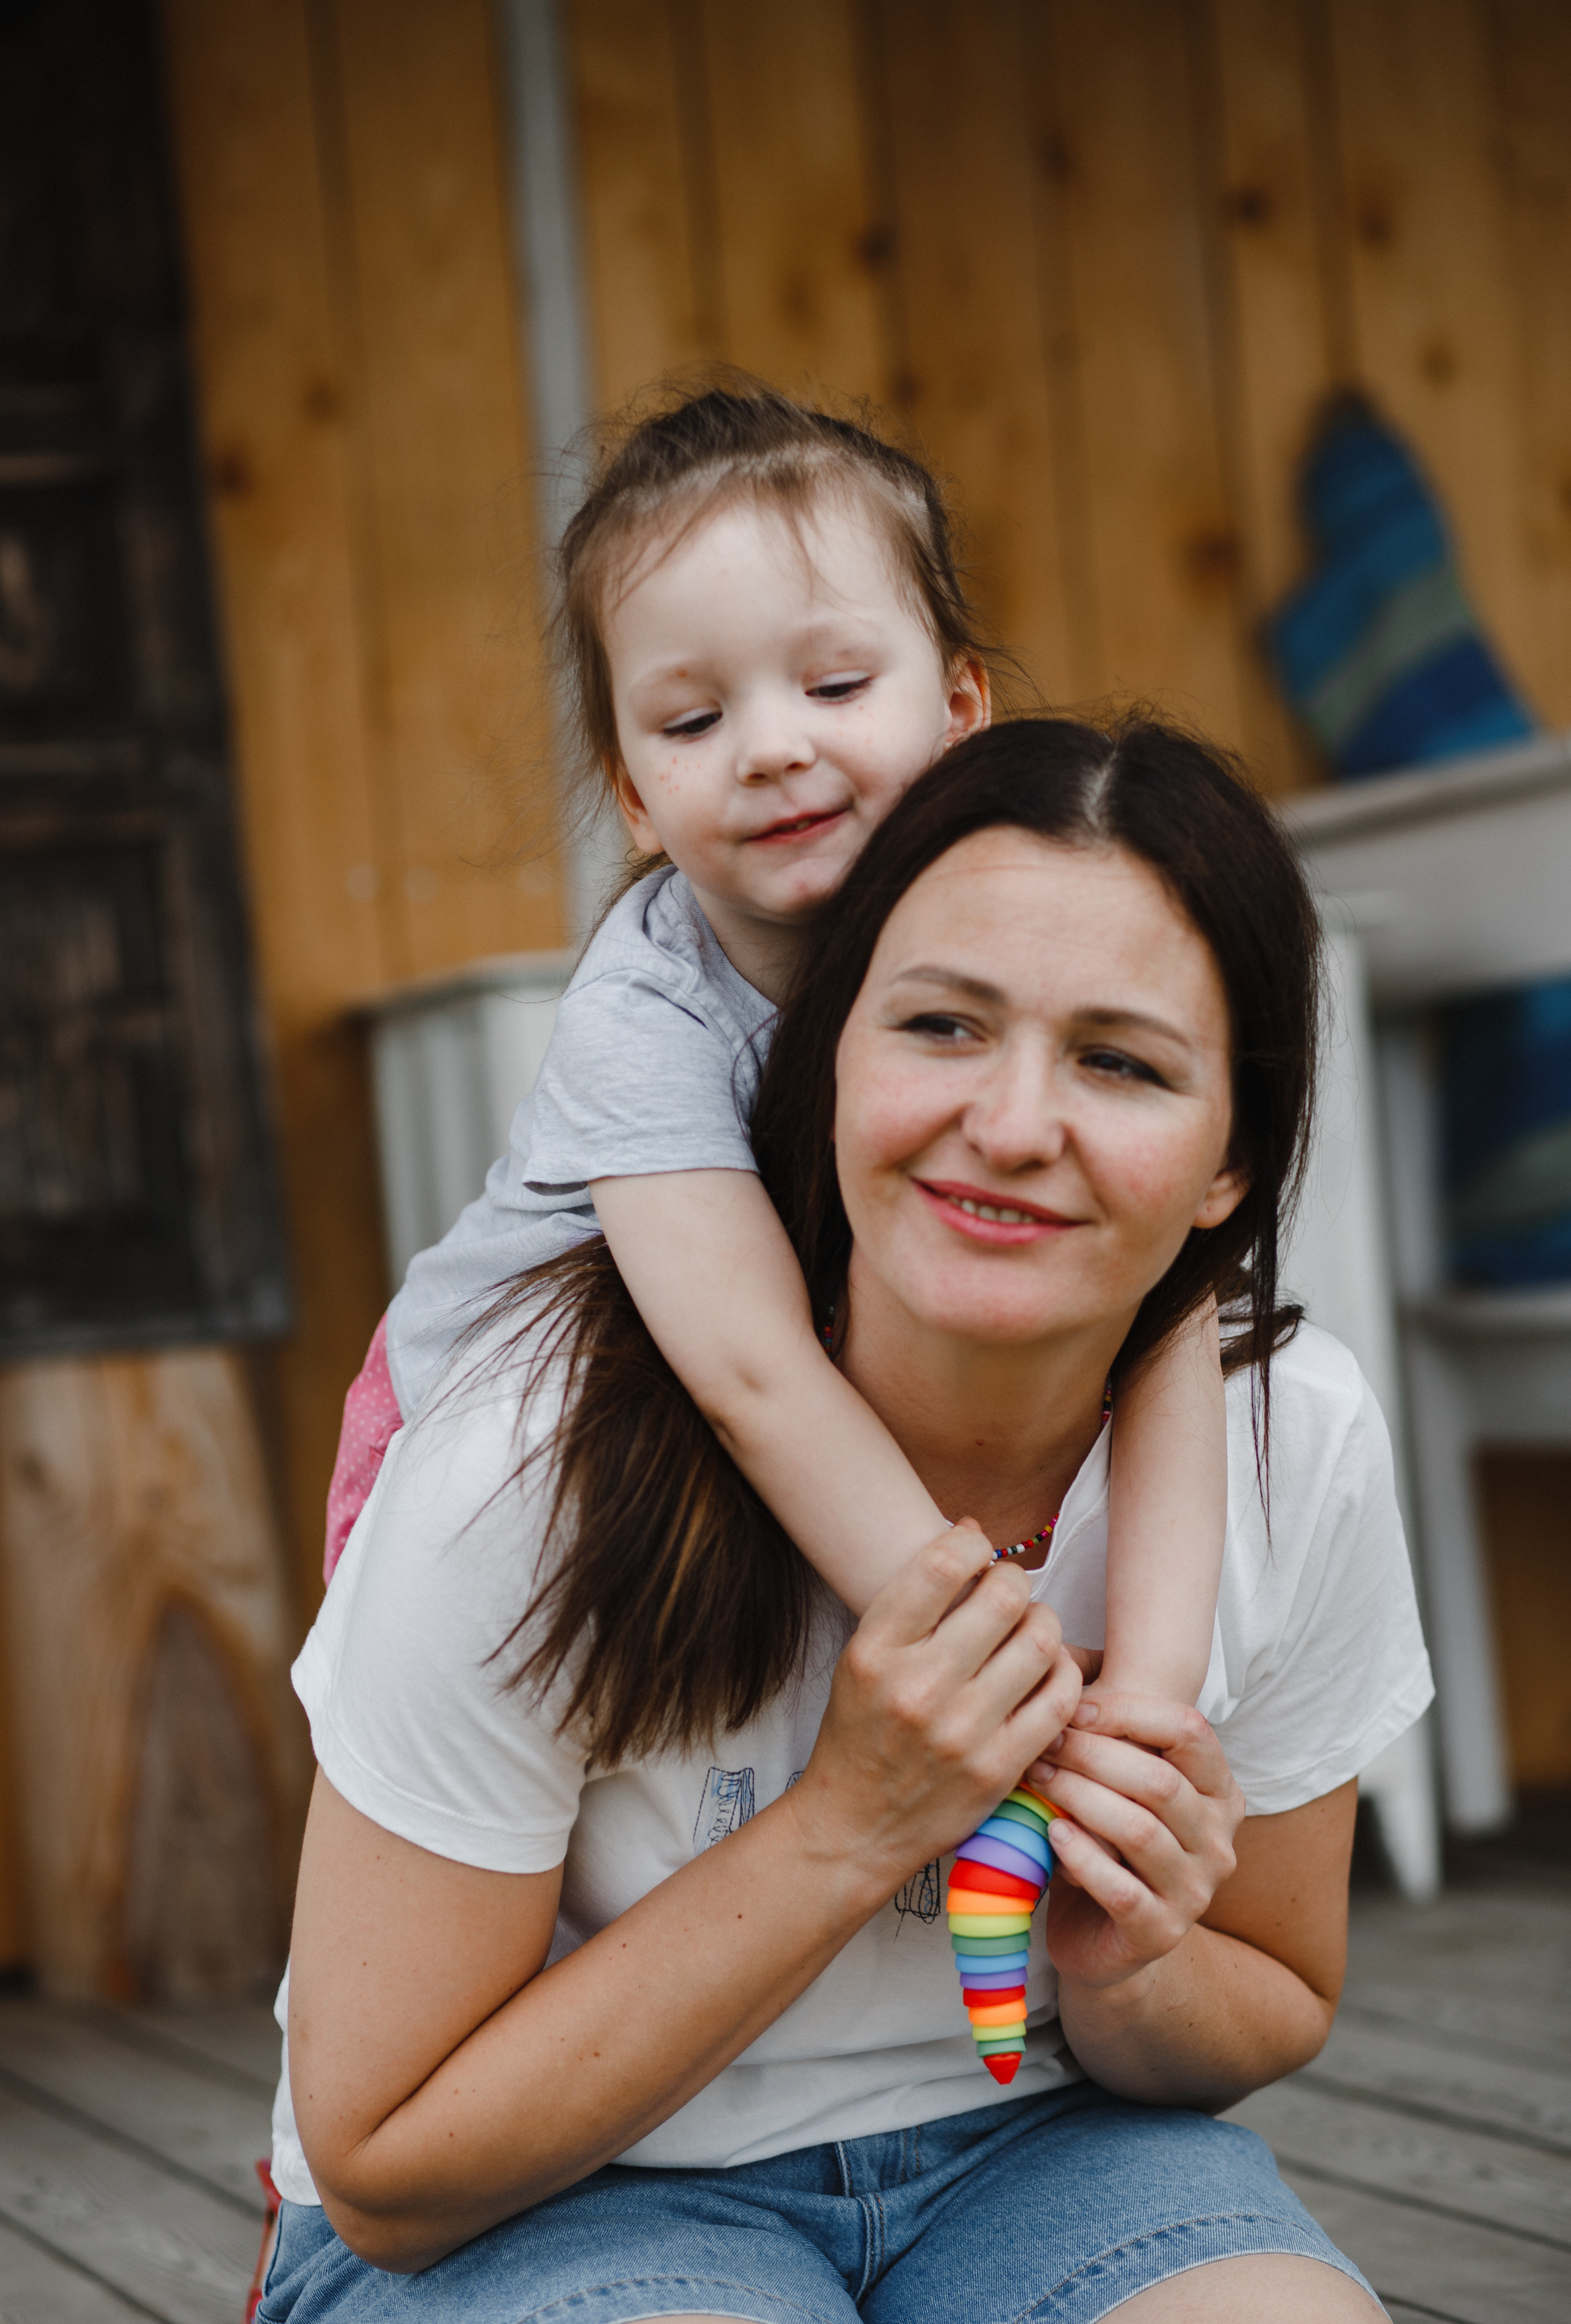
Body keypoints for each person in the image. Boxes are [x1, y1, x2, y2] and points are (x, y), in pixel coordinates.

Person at [262, 716, 1433, 2323]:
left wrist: (1132, 1959)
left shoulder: (1294, 1444)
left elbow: (1278, 1999)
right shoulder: (536, 1458)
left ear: (1232, 1158)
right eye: (943, 1026)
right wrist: (853, 1825)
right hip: (547, 2202)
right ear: (827, 1060)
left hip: (1036, 2150)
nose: (1015, 1124)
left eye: (1121, 1062)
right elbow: (388, 2165)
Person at [325, 381, 1228, 1726]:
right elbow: (753, 1373)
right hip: (495, 1458)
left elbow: (1162, 1299)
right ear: (632, 791)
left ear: (958, 705)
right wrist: (996, 1675)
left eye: (835, 684)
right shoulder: (646, 1015)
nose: (772, 749)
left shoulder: (995, 932)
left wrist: (1150, 1696)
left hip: (754, 1446)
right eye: (691, 724)